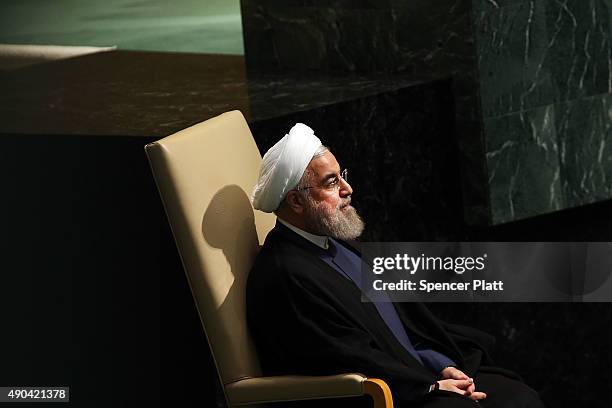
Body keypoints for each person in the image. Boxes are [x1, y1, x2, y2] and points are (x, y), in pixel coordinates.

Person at [247, 123, 545, 408]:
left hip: (418, 373)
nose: (348, 189)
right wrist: (429, 387)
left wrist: (443, 367)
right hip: (384, 394)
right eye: (331, 182)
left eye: (342, 175)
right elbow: (346, 357)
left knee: (517, 398)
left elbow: (403, 327)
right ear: (296, 202)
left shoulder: (338, 242)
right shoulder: (285, 275)